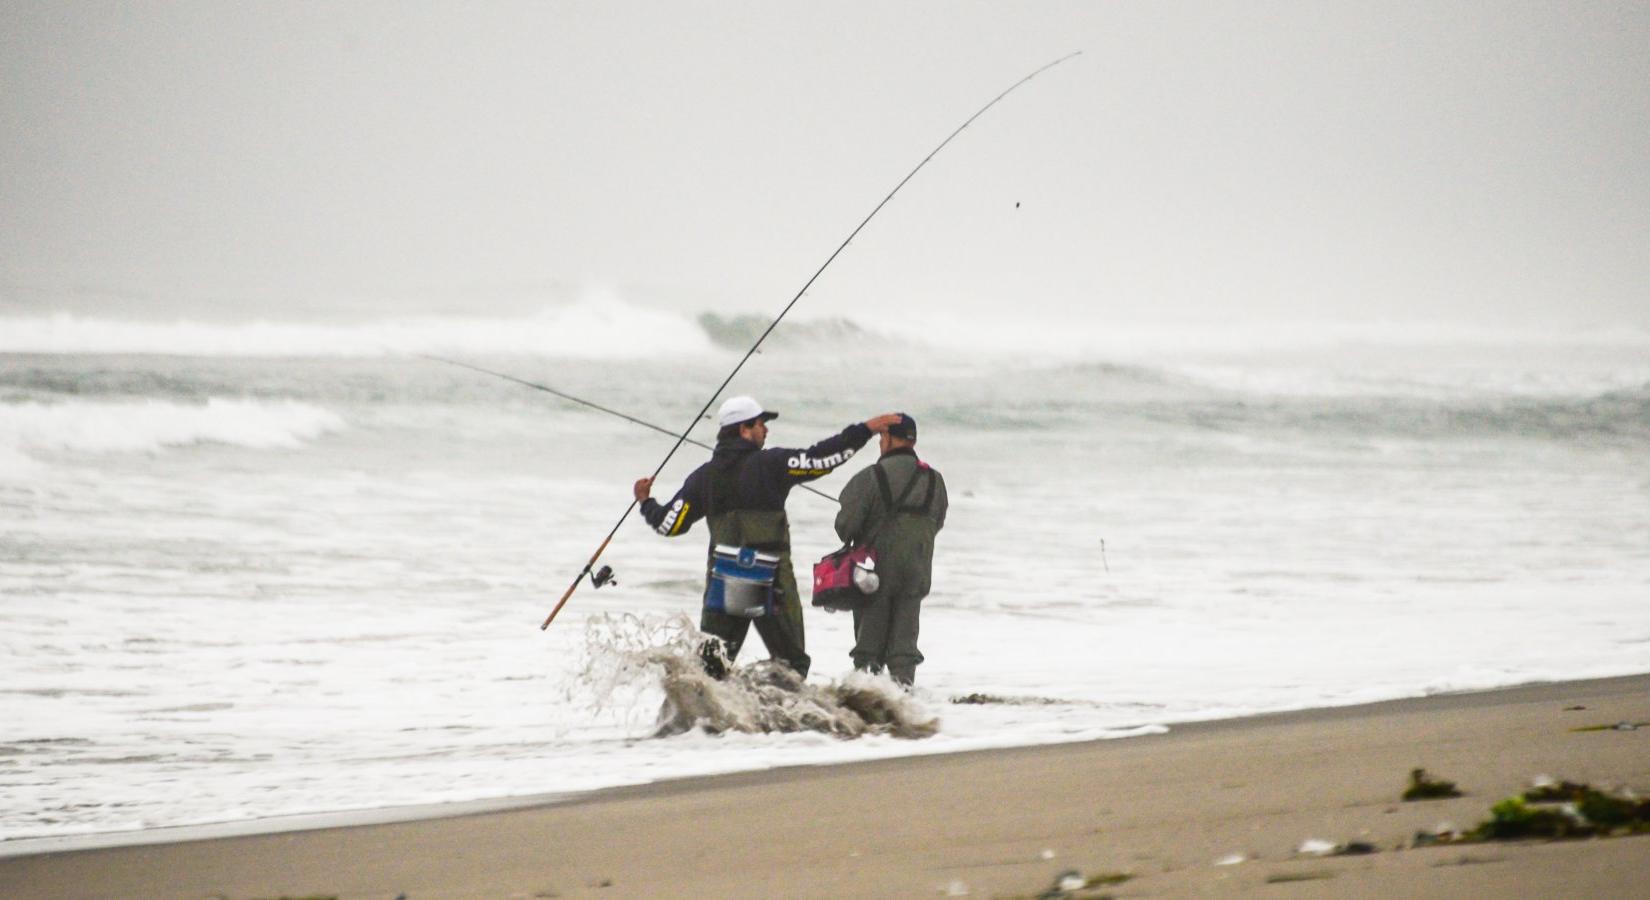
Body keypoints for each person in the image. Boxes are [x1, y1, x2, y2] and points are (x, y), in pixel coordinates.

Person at [636, 395, 900, 679]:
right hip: (770, 580)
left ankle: (701, 722)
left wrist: (645, 501)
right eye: (761, 424)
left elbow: (668, 525)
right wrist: (865, 430)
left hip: (724, 580)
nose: (766, 430)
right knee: (791, 668)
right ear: (744, 429)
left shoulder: (703, 477)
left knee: (709, 671)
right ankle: (780, 719)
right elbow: (821, 459)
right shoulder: (771, 463)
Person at [834, 413, 947, 686]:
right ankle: (904, 703)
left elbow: (845, 527)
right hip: (917, 570)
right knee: (904, 648)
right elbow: (937, 522)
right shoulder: (934, 479)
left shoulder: (870, 477)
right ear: (913, 440)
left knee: (868, 649)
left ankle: (869, 707)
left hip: (875, 573)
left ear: (885, 438)